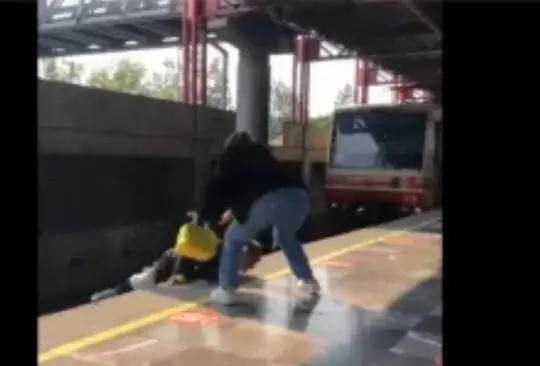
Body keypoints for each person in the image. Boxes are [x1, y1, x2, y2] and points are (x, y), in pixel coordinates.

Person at [199, 131, 320, 305]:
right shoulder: (265, 157)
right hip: (299, 198)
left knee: (232, 239)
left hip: (269, 201)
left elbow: (222, 186)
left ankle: (227, 290)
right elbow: (256, 188)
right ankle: (307, 281)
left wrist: (207, 214)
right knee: (285, 236)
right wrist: (234, 211)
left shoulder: (231, 155)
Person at [90, 237, 267, 303]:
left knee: (142, 281)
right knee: (142, 281)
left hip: (175, 266)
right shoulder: (221, 253)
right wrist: (179, 274)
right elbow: (187, 258)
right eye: (253, 260)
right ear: (244, 251)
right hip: (171, 266)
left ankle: (113, 293)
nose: (252, 266)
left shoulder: (227, 255)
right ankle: (110, 294)